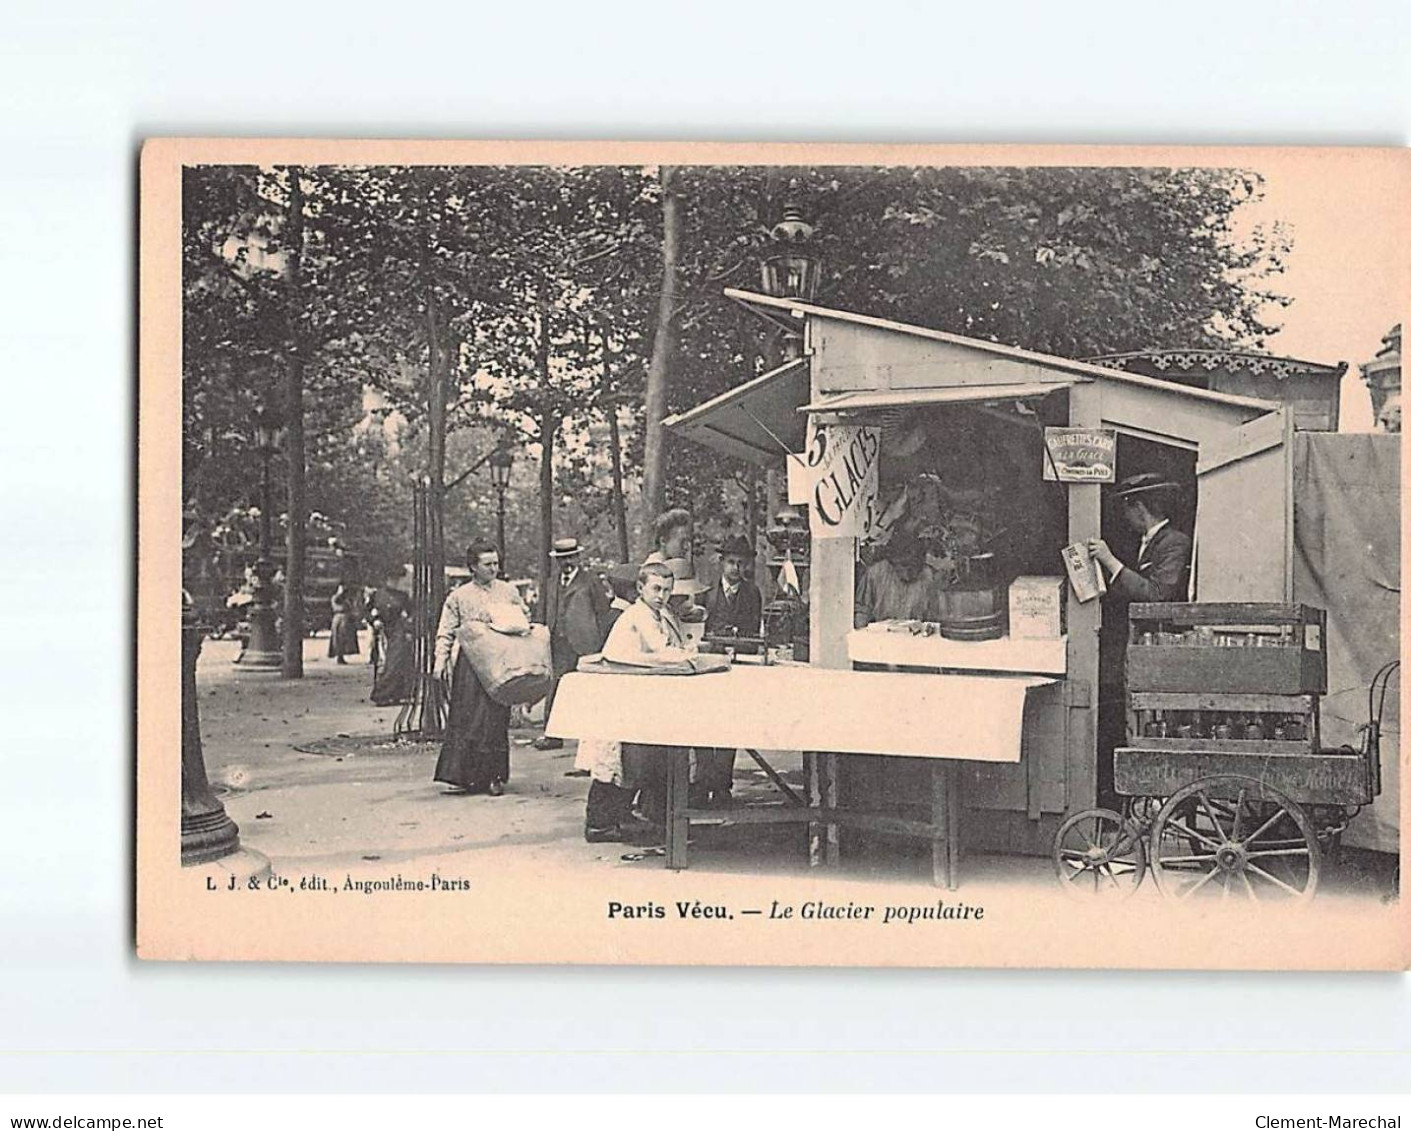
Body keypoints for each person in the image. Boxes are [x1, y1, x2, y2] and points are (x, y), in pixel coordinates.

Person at [1087, 472, 1194, 805]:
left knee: (1152, 727)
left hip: (1159, 656)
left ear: (1140, 508)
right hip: (1139, 654)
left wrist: (1109, 561)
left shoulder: (1174, 542)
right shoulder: (1149, 543)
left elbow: (1157, 596)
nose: (1124, 517)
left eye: (1126, 508)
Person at [582, 561, 696, 843]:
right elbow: (662, 651)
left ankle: (622, 815)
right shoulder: (638, 615)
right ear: (641, 588)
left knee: (638, 760)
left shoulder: (661, 613)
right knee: (617, 760)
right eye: (656, 588)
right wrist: (688, 654)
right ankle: (598, 824)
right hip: (619, 693)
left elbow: (673, 646)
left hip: (639, 694)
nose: (662, 595)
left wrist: (684, 650)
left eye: (667, 590)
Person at [432, 540, 529, 797]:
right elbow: (446, 631)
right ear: (473, 567)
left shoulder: (508, 591)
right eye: (487, 564)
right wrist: (440, 661)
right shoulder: (459, 597)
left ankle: (494, 777)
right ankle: (465, 777)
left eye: (496, 563)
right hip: (470, 666)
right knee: (468, 719)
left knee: (495, 719)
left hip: (499, 662)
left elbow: (523, 621)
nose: (494, 569)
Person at [694, 533, 763, 807]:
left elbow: (753, 633)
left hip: (736, 669)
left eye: (741, 563)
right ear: (721, 563)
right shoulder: (707, 595)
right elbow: (700, 635)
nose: (736, 568)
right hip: (710, 670)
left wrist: (740, 649)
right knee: (704, 728)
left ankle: (722, 786)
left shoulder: (752, 593)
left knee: (729, 727)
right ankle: (702, 782)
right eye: (731, 562)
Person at [535, 537, 612, 750]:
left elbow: (603, 612)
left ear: (578, 557)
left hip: (585, 643)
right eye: (562, 558)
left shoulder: (591, 581)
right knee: (556, 686)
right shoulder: (552, 582)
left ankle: (592, 738)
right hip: (558, 642)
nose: (567, 562)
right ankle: (552, 735)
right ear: (557, 561)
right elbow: (545, 609)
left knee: (588, 688)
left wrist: (600, 641)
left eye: (570, 557)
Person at [853, 527, 940, 628]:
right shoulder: (876, 573)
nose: (908, 573)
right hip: (882, 638)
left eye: (914, 566)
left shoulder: (929, 577)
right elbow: (861, 613)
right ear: (893, 561)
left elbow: (934, 619)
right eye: (904, 565)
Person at [645, 508, 705, 623]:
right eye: (682, 542)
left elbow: (686, 606)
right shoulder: (652, 570)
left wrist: (697, 612)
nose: (686, 547)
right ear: (663, 541)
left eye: (688, 542)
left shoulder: (681, 566)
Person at [367, 567, 414, 706]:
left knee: (397, 661)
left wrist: (408, 624)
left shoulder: (402, 596)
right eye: (391, 579)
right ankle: (382, 693)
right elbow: (367, 611)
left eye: (396, 579)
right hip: (383, 629)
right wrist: (374, 620)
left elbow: (411, 612)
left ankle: (396, 693)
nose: (394, 582)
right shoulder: (377, 595)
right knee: (386, 662)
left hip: (399, 630)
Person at [328, 582, 362, 663]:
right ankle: (339, 656)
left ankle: (342, 655)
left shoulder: (347, 599)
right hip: (339, 619)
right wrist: (339, 593)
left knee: (345, 638)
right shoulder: (335, 598)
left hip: (346, 619)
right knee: (339, 638)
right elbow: (336, 601)